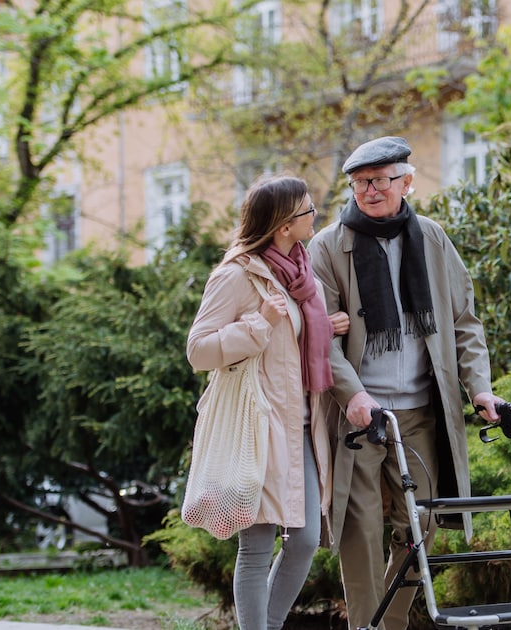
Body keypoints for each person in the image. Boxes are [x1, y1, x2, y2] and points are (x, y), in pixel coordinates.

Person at [308, 136, 505, 630]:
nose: (368, 191)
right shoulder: (329, 246)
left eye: (379, 181)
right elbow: (320, 336)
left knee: (422, 525)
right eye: (359, 183)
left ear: (406, 182)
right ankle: (364, 627)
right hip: (361, 416)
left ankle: (387, 624)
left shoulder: (433, 238)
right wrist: (352, 396)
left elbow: (464, 320)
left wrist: (479, 387)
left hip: (420, 409)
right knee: (360, 528)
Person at [186, 175, 349, 630]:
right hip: (257, 428)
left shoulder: (299, 271)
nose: (315, 213)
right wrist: (258, 323)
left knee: (305, 540)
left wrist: (324, 326)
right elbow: (198, 350)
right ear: (283, 225)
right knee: (256, 546)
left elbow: (292, 334)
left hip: (300, 424)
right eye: (307, 209)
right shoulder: (236, 275)